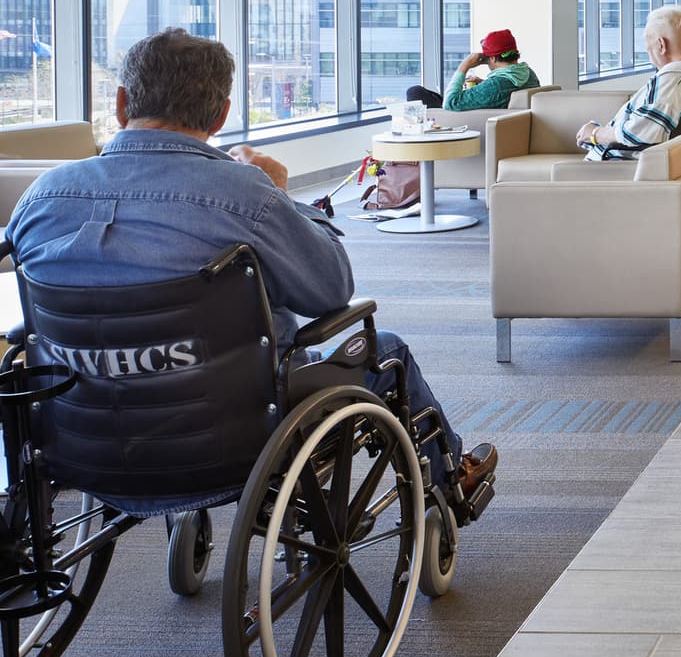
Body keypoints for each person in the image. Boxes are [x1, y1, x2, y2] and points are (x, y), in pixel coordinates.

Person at [7, 29, 497, 501]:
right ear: (220, 115)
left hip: (79, 432)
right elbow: (330, 291)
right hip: (229, 433)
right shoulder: (244, 194)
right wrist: (279, 194)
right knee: (385, 349)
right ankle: (452, 479)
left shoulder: (41, 198)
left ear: (119, 104)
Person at [576, 5, 681, 157]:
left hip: (613, 165)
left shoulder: (671, 81)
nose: (649, 56)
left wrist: (594, 134)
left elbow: (637, 134)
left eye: (648, 48)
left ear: (661, 45)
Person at [407, 28, 541, 110]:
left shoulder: (496, 84)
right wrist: (482, 82)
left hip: (462, 120)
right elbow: (506, 91)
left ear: (492, 58)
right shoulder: (528, 73)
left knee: (415, 92)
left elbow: (449, 103)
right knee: (429, 95)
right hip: (491, 115)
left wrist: (463, 67)